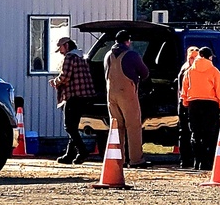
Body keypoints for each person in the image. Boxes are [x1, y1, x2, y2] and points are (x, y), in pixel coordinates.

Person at [104, 30, 151, 168]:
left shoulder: (108, 55)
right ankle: (136, 159)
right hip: (127, 94)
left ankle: (119, 159)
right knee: (133, 126)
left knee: (116, 127)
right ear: (127, 41)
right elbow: (145, 73)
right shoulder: (131, 55)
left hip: (110, 93)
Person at [49, 36, 96, 165]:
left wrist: (55, 82)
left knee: (69, 126)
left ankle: (82, 151)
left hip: (74, 96)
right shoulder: (81, 57)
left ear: (67, 46)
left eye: (61, 48)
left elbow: (65, 76)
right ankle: (70, 156)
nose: (61, 52)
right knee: (73, 127)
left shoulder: (70, 57)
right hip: (85, 96)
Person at [180, 46, 220, 170]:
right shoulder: (214, 71)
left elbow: (184, 89)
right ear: (210, 57)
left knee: (195, 133)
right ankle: (206, 162)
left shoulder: (189, 71)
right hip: (210, 104)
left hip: (193, 104)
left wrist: (185, 103)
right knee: (209, 134)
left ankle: (197, 161)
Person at [176, 46, 200, 169]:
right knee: (186, 132)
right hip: (186, 103)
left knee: (187, 132)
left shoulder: (185, 69)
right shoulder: (187, 71)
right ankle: (186, 160)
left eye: (195, 57)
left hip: (186, 103)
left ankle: (187, 160)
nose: (193, 60)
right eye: (191, 58)